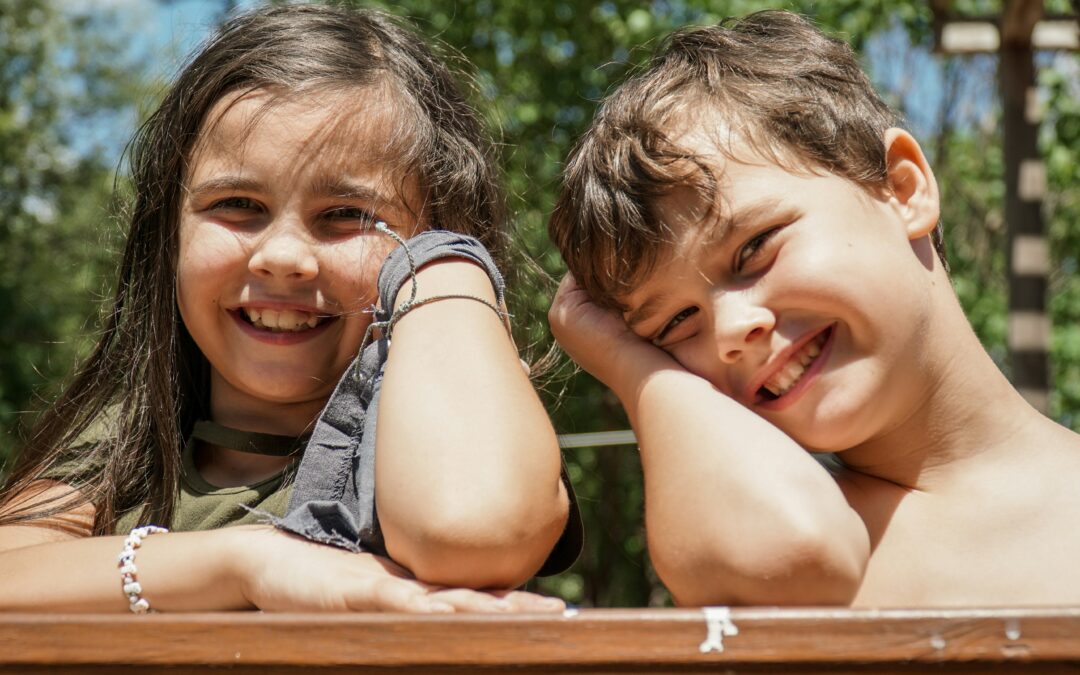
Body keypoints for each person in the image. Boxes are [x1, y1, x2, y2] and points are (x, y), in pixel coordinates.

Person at [0, 3, 578, 613]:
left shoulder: (452, 429)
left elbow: (473, 533)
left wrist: (446, 264)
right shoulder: (135, 435)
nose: (281, 257)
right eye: (237, 204)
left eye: (348, 215)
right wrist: (248, 561)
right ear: (167, 233)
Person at [547, 10, 1080, 607]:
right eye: (674, 324)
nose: (731, 330)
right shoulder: (795, 541)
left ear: (903, 190)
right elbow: (790, 551)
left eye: (755, 248)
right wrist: (629, 365)